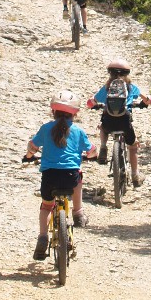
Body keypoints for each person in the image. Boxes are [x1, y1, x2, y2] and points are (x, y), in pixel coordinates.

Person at [24, 89, 97, 261]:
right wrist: (90, 156)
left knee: (46, 206)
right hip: (69, 177)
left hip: (50, 178)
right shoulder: (78, 131)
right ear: (75, 114)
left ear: (53, 111)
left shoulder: (46, 128)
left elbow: (32, 147)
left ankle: (42, 237)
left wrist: (28, 156)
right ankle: (78, 212)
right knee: (78, 176)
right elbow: (92, 150)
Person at [88, 57, 151, 187]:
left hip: (108, 122)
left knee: (102, 126)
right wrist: (148, 101)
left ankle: (103, 146)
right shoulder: (131, 87)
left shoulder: (107, 87)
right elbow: (147, 100)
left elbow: (91, 102)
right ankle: (135, 175)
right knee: (133, 145)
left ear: (110, 73)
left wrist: (93, 105)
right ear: (127, 73)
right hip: (124, 122)